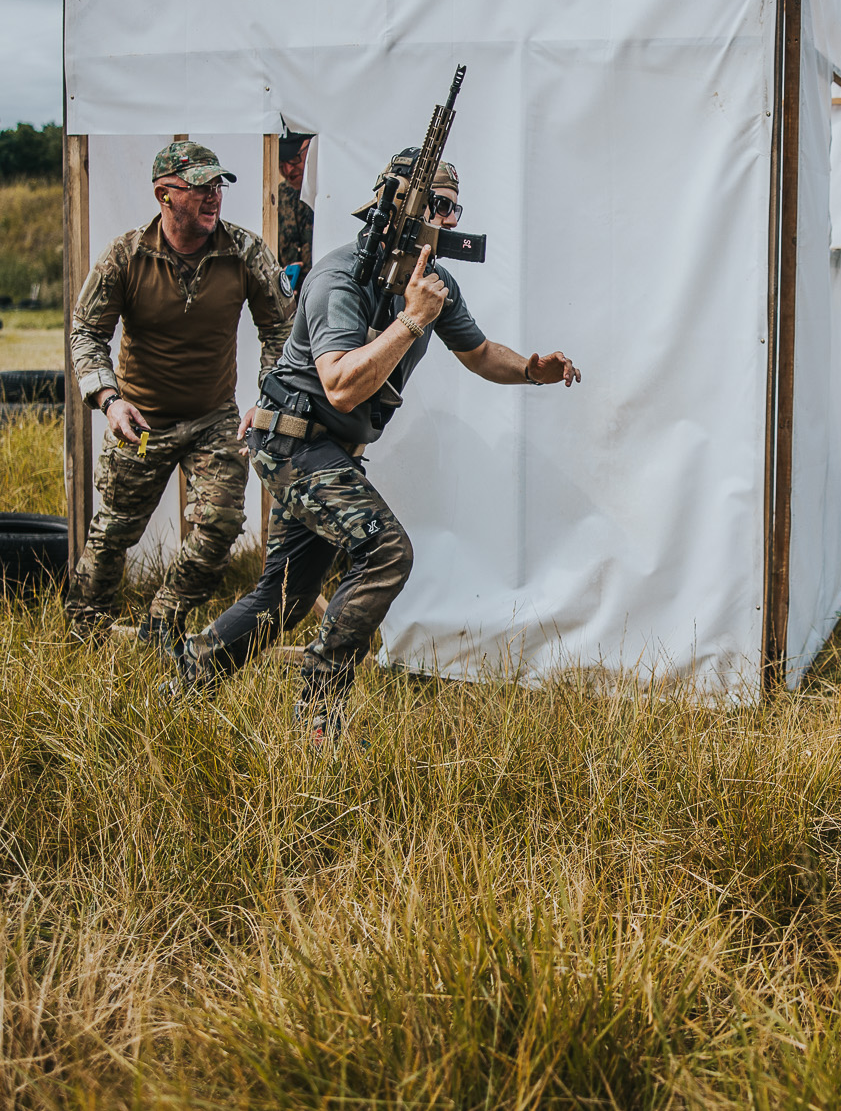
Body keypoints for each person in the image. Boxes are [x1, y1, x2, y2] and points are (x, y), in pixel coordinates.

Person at [165, 148, 582, 744]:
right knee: (387, 552)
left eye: (454, 207)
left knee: (285, 597)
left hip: (326, 451)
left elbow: (482, 354)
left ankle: (188, 675)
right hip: (291, 441)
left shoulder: (434, 285)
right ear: (402, 209)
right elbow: (338, 385)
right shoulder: (342, 277)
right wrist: (411, 321)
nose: (451, 219)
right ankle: (317, 715)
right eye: (438, 205)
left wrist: (531, 370)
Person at [66, 141, 293, 641]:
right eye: (200, 188)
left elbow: (281, 327)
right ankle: (84, 630)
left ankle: (162, 620)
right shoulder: (124, 257)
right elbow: (85, 330)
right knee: (115, 530)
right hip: (141, 419)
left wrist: (268, 397)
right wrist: (108, 399)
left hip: (214, 419)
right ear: (164, 196)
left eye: (218, 186)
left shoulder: (245, 251)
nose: (214, 197)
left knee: (221, 523)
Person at [276, 133, 316, 292]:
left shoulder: (330, 193)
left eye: (293, 158)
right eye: (280, 162)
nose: (287, 169)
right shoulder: (280, 196)